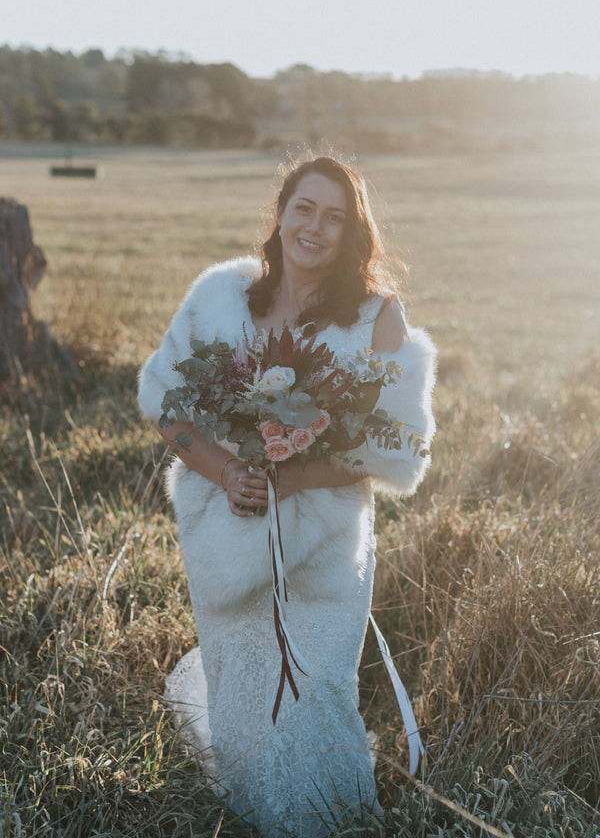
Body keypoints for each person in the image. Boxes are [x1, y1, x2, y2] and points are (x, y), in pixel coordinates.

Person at [137, 156, 436, 836]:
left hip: (324, 548)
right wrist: (224, 470)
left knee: (315, 697)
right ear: (281, 211)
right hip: (227, 540)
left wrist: (293, 475)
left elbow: (402, 445)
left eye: (335, 218)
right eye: (305, 208)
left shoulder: (375, 317)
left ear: (351, 233)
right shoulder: (219, 294)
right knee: (244, 708)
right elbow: (165, 400)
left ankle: (332, 817)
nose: (315, 228)